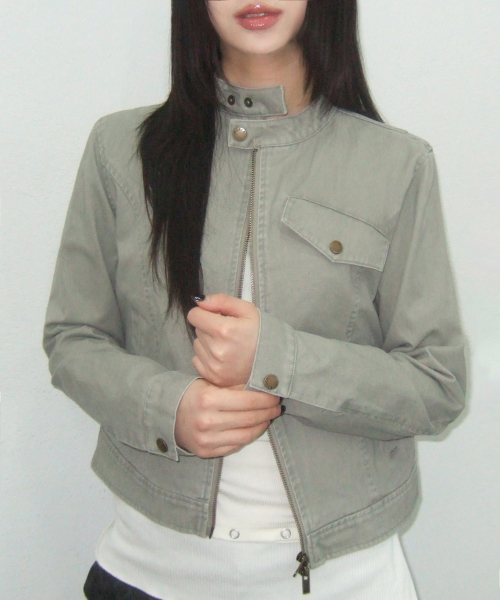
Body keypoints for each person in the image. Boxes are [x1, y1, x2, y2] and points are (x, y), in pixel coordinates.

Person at [43, 1, 467, 598]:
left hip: (346, 580)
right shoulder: (121, 150)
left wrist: (276, 359)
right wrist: (168, 408)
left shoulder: (397, 164)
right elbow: (73, 339)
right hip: (150, 571)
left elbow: (437, 385)